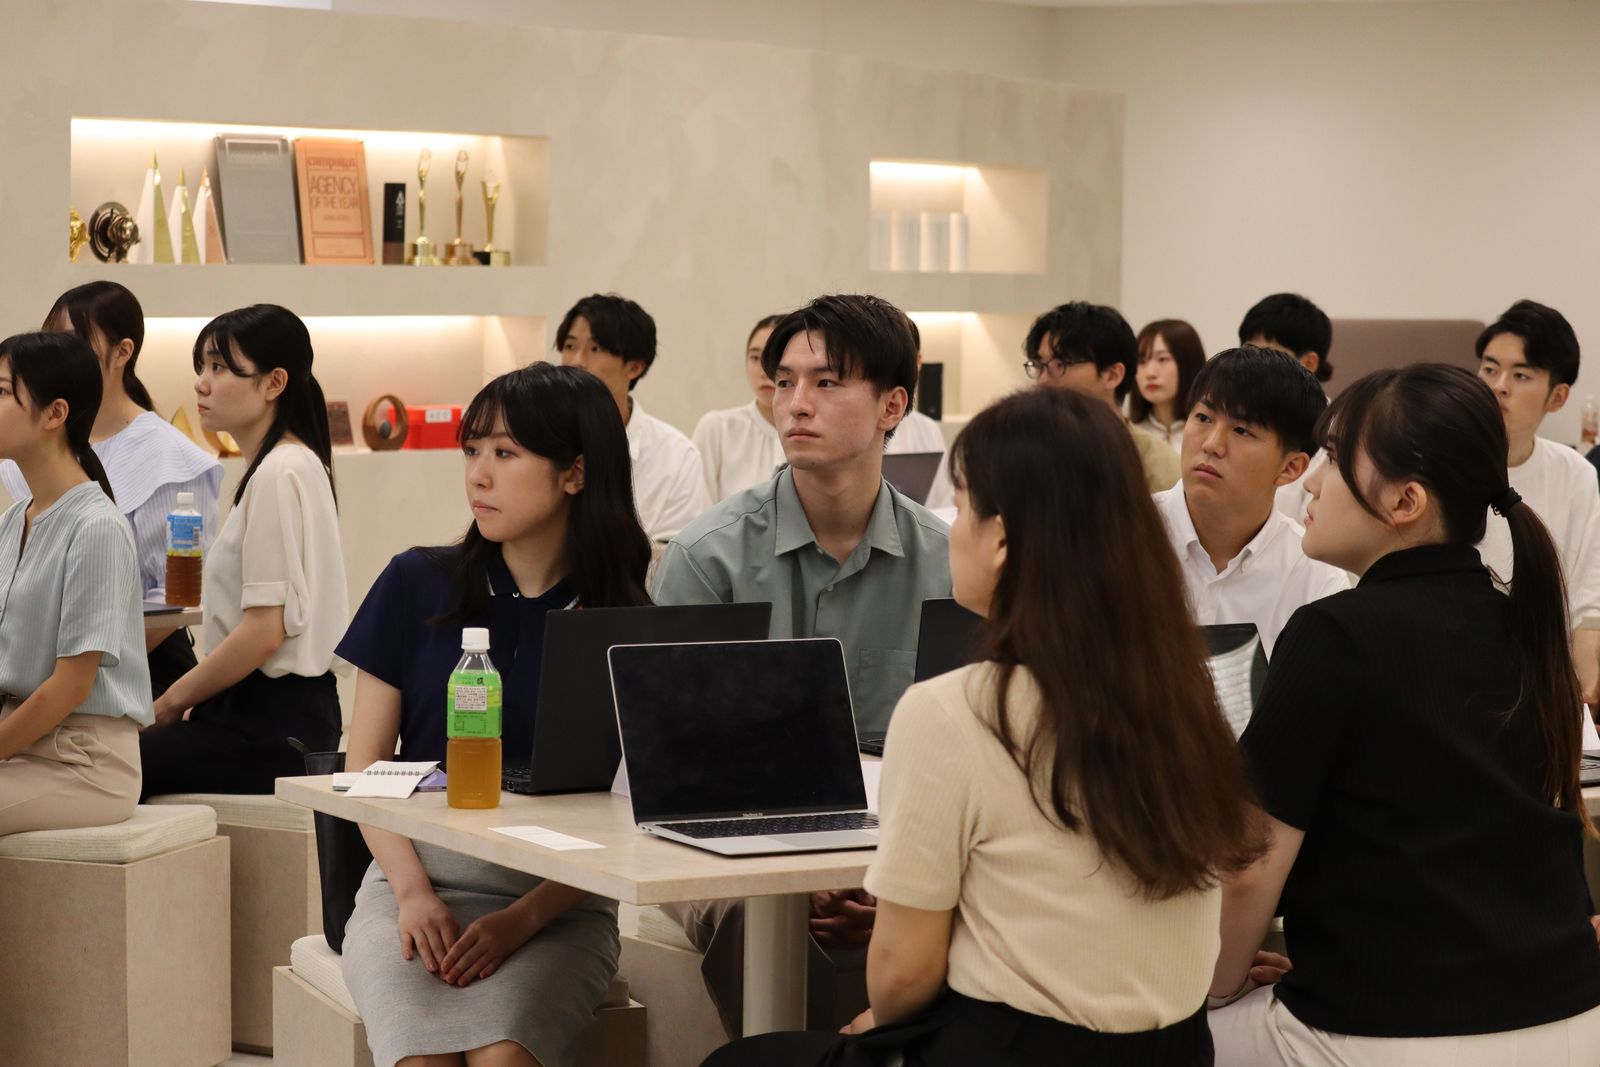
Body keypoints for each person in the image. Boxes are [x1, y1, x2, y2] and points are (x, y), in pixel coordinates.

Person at [707, 387, 1262, 1067]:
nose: (954, 529)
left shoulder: (955, 711)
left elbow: (900, 979)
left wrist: (885, 1013)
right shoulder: (1186, 696)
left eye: (964, 506)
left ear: (1001, 540)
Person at [1209, 363, 1600, 1066]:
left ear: (1405, 501)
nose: (1311, 483)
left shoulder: (1334, 634)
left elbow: (1246, 869)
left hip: (1392, 1035)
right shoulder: (1526, 624)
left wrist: (1216, 985)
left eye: (1333, 458)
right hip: (1572, 1020)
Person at [653, 293, 952, 1037]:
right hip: (725, 841)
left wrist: (894, 878)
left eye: (826, 382)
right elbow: (678, 761)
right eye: (783, 382)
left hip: (902, 840)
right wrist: (798, 876)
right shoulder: (708, 557)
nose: (794, 403)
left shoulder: (951, 564)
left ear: (892, 406)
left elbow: (975, 758)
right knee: (755, 914)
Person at [337, 363, 649, 1067]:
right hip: (414, 877)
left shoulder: (623, 619)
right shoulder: (415, 580)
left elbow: (630, 814)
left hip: (562, 899)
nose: (478, 475)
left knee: (503, 1056)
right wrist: (412, 892)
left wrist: (522, 919)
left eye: (505, 453)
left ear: (575, 473)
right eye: (472, 450)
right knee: (422, 1060)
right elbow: (363, 768)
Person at [138, 305, 346, 797]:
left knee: (107, 764)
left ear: (274, 383)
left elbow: (264, 632)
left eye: (220, 368)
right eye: (202, 367)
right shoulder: (291, 464)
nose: (201, 384)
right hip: (272, 716)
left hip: (269, 728)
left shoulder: (280, 470)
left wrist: (168, 704)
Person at [0, 281, 223, 699]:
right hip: (43, 669)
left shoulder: (170, 458)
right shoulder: (28, 446)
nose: (57, 353)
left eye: (73, 340)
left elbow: (175, 595)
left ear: (123, 352)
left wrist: (82, 670)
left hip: (136, 672)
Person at [0, 332, 149, 835]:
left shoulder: (97, 527)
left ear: (54, 413)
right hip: (21, 746)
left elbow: (71, 685)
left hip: (84, 764)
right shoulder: (11, 521)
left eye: (2, 391)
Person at [1153, 346, 1348, 659]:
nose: (1211, 444)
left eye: (1242, 430)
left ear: (1290, 468)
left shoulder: (1315, 581)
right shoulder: (1119, 534)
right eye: (1203, 417)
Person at [1474, 300, 1600, 705]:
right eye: (1490, 369)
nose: (1499, 385)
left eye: (1521, 375)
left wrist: (1585, 690)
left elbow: (1586, 601)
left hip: (1541, 679)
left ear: (1557, 398)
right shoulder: (1438, 465)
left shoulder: (1575, 474)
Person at [556, 293, 707, 541]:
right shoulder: (533, 435)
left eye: (596, 349)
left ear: (635, 366)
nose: (576, 362)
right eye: (570, 346)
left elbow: (676, 553)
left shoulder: (676, 455)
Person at [1023, 301, 1181, 492]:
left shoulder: (1161, 470)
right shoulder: (1023, 451)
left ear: (1113, 375)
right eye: (1039, 365)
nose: (1043, 380)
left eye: (1059, 365)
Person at [1238, 293, 1334, 521]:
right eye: (1248, 352)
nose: (1253, 366)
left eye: (1268, 355)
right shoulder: (1234, 416)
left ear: (1309, 363)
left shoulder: (1332, 436)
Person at [693, 314, 787, 503]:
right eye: (755, 357)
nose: (764, 371)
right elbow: (698, 511)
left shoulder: (816, 430)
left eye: (776, 358)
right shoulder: (717, 428)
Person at [1130, 319, 1206, 451]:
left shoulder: (1210, 436)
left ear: (1188, 364)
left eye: (1162, 359)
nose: (1150, 373)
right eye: (1142, 361)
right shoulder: (1129, 436)